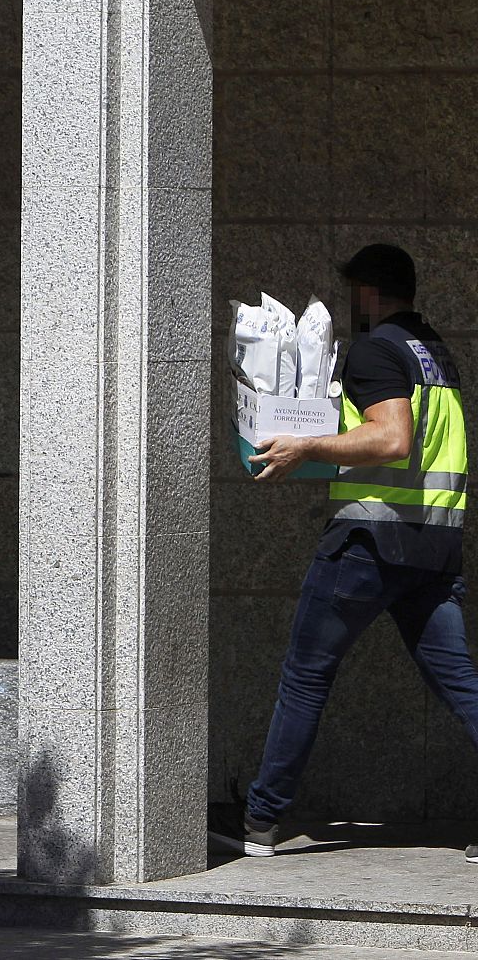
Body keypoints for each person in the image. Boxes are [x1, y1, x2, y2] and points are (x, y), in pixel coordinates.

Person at [213, 244, 478, 861]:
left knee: (306, 677)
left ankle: (259, 822)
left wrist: (304, 447)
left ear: (367, 293)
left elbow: (391, 438)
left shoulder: (376, 349)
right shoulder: (435, 352)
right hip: (433, 548)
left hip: (368, 543)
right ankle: (260, 814)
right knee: (461, 684)